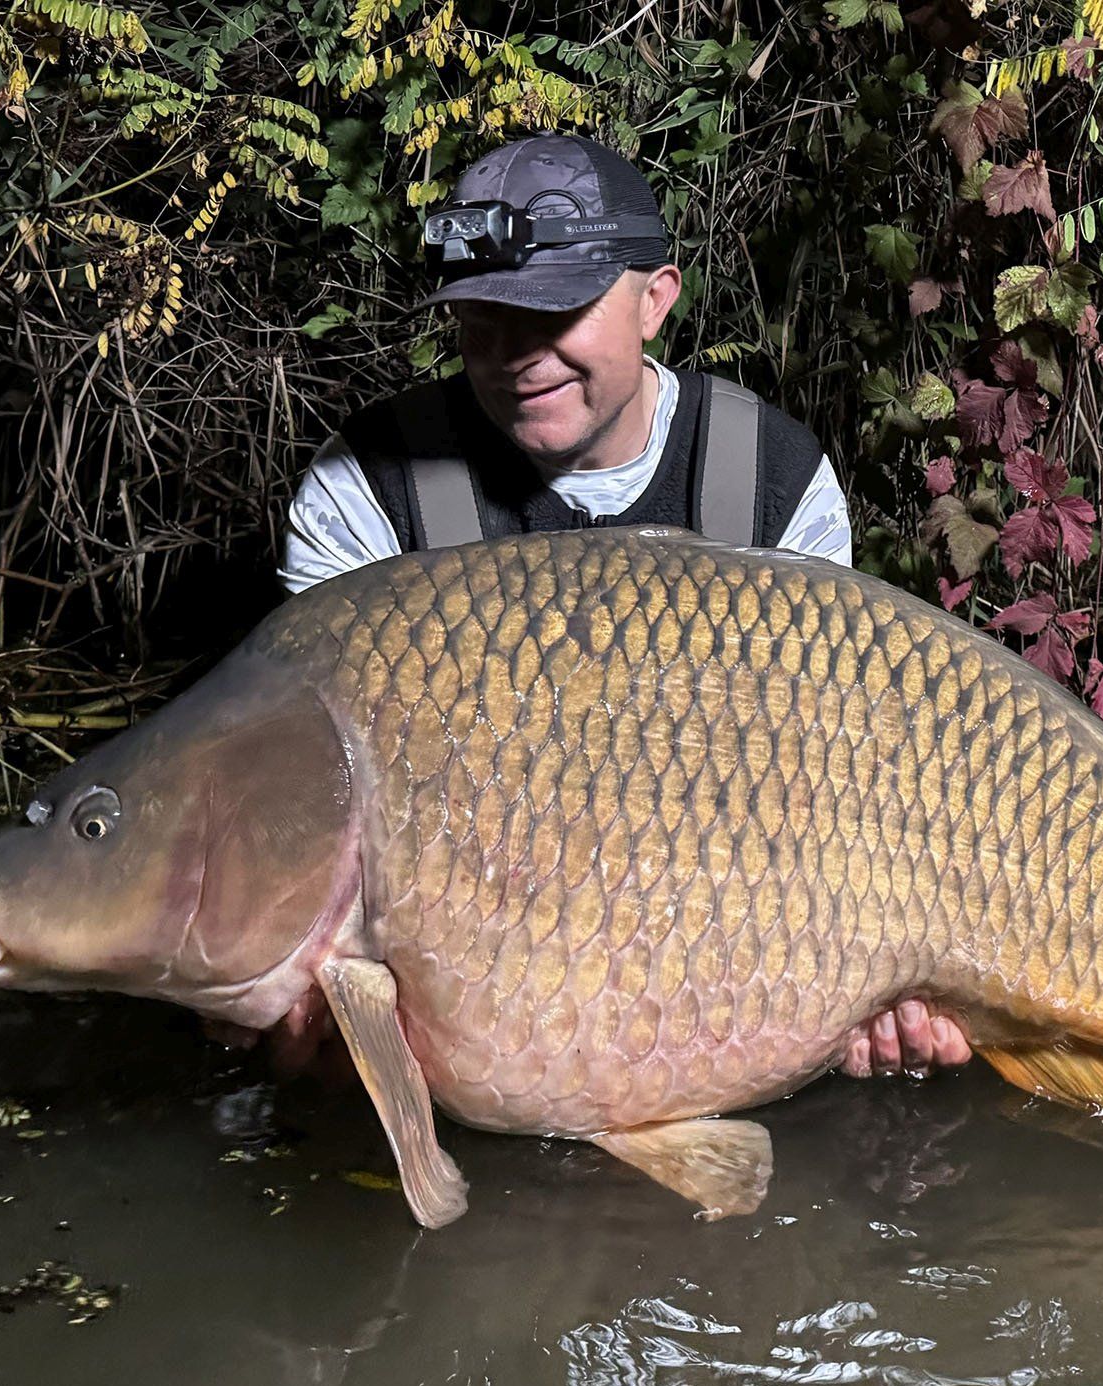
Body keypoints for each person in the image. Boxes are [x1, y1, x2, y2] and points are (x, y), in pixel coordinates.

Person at [281, 131, 967, 1077]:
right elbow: (309, 806)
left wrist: (871, 979)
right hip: (474, 972)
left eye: (555, 312)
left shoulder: (771, 480)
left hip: (729, 953)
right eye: (482, 320)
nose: (517, 355)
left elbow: (832, 805)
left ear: (656, 300)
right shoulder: (364, 491)